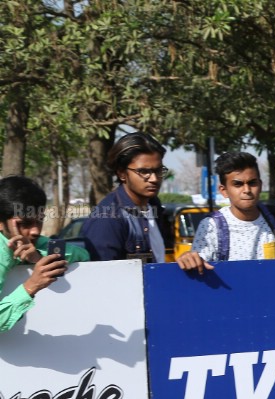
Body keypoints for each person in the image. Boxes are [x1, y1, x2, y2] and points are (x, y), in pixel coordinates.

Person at [176, 151, 275, 273]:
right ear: (224, 190)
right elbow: (198, 266)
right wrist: (189, 258)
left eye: (252, 183)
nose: (247, 190)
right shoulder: (212, 226)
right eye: (238, 184)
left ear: (260, 185)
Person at [1, 176, 89, 333]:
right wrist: (31, 286)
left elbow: (82, 255)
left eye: (39, 221)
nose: (35, 231)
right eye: (24, 223)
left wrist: (39, 258)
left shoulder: (36, 243)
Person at [81, 132, 169, 262]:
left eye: (158, 171)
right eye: (144, 172)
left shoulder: (154, 206)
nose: (154, 179)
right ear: (122, 173)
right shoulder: (107, 218)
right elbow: (103, 276)